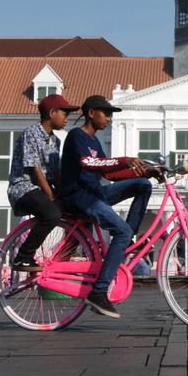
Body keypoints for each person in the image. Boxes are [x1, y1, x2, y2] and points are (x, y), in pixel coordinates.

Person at [60, 94, 160, 318]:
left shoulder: (95, 141)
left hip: (95, 193)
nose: (108, 118)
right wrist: (125, 160)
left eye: (110, 114)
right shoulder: (77, 136)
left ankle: (127, 240)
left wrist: (144, 170)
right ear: (91, 113)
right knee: (120, 231)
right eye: (106, 113)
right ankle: (99, 291)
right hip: (79, 196)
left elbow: (109, 173)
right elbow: (89, 163)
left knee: (143, 185)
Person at [7, 93, 79, 271]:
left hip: (42, 190)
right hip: (23, 188)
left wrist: (69, 196)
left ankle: (62, 261)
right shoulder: (31, 133)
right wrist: (51, 195)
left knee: (79, 211)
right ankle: (22, 257)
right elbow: (35, 169)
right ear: (52, 113)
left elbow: (54, 173)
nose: (66, 119)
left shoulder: (55, 140)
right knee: (52, 213)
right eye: (64, 114)